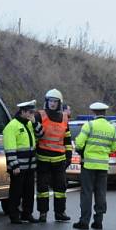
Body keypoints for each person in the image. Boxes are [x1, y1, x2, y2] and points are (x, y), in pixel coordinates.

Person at [73, 102, 116, 230]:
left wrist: (82, 150)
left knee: (87, 193)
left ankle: (84, 221)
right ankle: (98, 221)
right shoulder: (111, 128)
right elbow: (115, 147)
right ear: (105, 113)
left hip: (89, 165)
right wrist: (104, 152)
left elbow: (79, 143)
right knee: (101, 193)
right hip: (103, 166)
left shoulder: (89, 125)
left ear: (93, 112)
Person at [32, 88, 72, 222]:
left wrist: (69, 155)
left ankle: (60, 213)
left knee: (60, 188)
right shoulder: (39, 115)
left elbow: (67, 138)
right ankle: (42, 213)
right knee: (42, 188)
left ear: (59, 103)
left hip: (59, 159)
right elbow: (34, 135)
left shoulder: (65, 118)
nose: (52, 104)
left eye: (55, 101)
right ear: (46, 101)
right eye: (50, 101)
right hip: (43, 159)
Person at [2, 100, 39, 224]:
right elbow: (10, 148)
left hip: (30, 165)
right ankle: (14, 215)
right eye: (29, 112)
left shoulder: (29, 124)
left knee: (29, 192)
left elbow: (41, 134)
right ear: (22, 112)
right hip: (18, 166)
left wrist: (35, 123)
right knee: (16, 192)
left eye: (32, 112)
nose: (31, 115)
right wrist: (14, 165)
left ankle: (27, 213)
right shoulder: (12, 127)